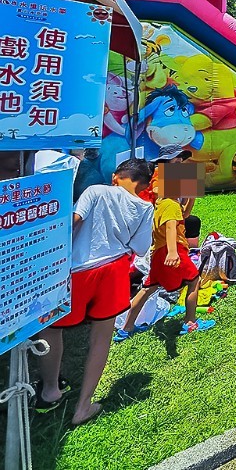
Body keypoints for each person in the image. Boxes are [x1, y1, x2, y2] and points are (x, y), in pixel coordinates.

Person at [35, 158, 154, 425]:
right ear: (145, 185)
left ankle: (51, 390)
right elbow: (140, 248)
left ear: (116, 176)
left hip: (77, 270)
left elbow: (73, 221)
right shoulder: (146, 207)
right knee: (102, 337)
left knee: (52, 328)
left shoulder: (95, 190)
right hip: (115, 271)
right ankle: (83, 406)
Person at [115, 158, 215, 341]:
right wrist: (173, 252)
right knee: (194, 281)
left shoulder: (163, 203)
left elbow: (184, 214)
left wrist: (191, 196)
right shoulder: (171, 205)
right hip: (173, 250)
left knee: (147, 289)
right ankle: (190, 322)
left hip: (158, 254)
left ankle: (126, 328)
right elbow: (170, 227)